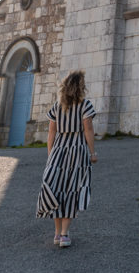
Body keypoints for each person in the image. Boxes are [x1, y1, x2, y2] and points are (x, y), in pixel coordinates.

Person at [36, 70, 97, 247]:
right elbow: (88, 129)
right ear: (80, 87)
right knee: (72, 190)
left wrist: (51, 155)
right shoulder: (84, 105)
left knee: (56, 189)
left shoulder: (56, 107)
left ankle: (57, 234)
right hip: (77, 151)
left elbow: (51, 132)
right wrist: (93, 153)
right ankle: (64, 234)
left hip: (58, 151)